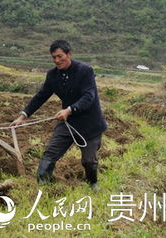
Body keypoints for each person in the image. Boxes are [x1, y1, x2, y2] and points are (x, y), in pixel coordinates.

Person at [10, 40, 107, 191]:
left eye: (60, 56)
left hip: (90, 123)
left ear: (69, 54)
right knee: (50, 154)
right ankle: (42, 187)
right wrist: (23, 115)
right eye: (53, 57)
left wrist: (69, 109)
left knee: (89, 161)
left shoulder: (85, 71)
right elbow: (41, 96)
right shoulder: (52, 75)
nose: (57, 60)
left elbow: (89, 97)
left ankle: (93, 184)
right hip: (68, 123)